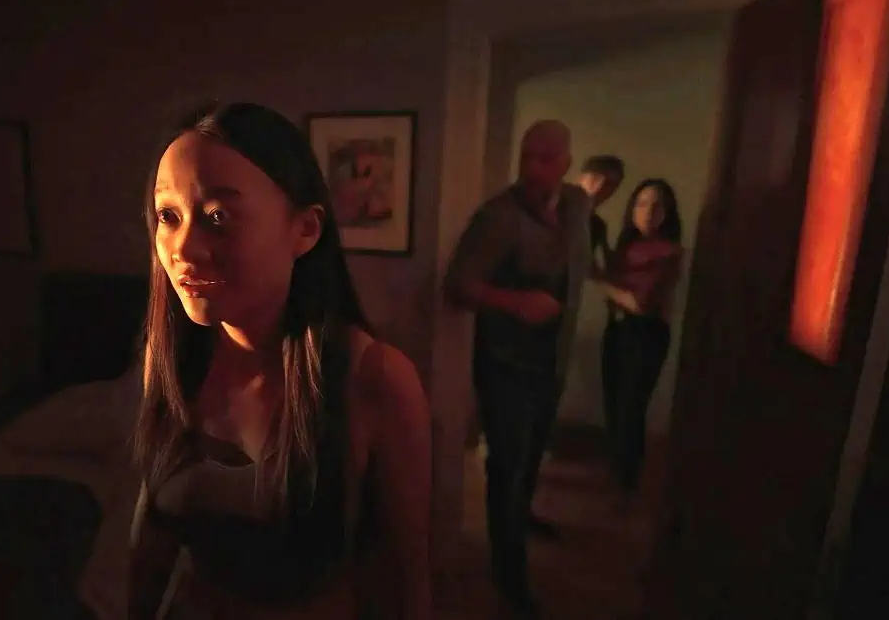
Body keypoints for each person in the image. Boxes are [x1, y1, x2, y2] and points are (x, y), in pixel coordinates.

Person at [127, 102, 432, 620]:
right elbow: (151, 537)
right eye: (168, 217)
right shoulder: (176, 357)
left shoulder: (373, 378)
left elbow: (404, 584)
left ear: (305, 230)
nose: (183, 249)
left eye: (217, 217)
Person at [444, 120, 591, 617]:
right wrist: (515, 302)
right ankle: (509, 572)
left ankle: (521, 517)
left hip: (553, 358)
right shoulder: (498, 217)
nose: (532, 168)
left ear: (567, 162)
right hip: (506, 364)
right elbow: (459, 283)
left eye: (546, 158)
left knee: (532, 454)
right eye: (527, 156)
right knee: (506, 463)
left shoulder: (578, 204)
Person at [592, 179, 683, 507]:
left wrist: (594, 275)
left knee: (631, 409)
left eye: (656, 206)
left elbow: (639, 303)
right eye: (641, 204)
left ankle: (626, 485)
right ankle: (616, 478)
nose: (647, 212)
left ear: (667, 213)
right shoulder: (627, 245)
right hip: (617, 330)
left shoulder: (670, 251)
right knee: (614, 405)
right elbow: (617, 280)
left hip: (645, 334)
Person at [575, 154, 626, 269]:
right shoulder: (550, 209)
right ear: (580, 178)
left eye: (609, 184)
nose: (599, 187)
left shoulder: (598, 226)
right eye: (595, 178)